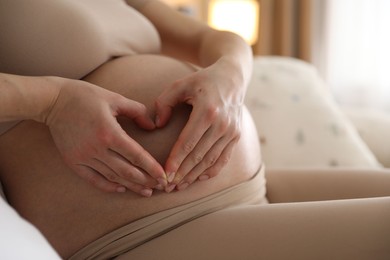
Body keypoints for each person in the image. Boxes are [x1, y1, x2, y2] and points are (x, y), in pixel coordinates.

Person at [0, 0, 389, 259]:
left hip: (249, 187)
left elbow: (211, 39)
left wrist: (231, 75)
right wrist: (49, 102)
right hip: (145, 232)